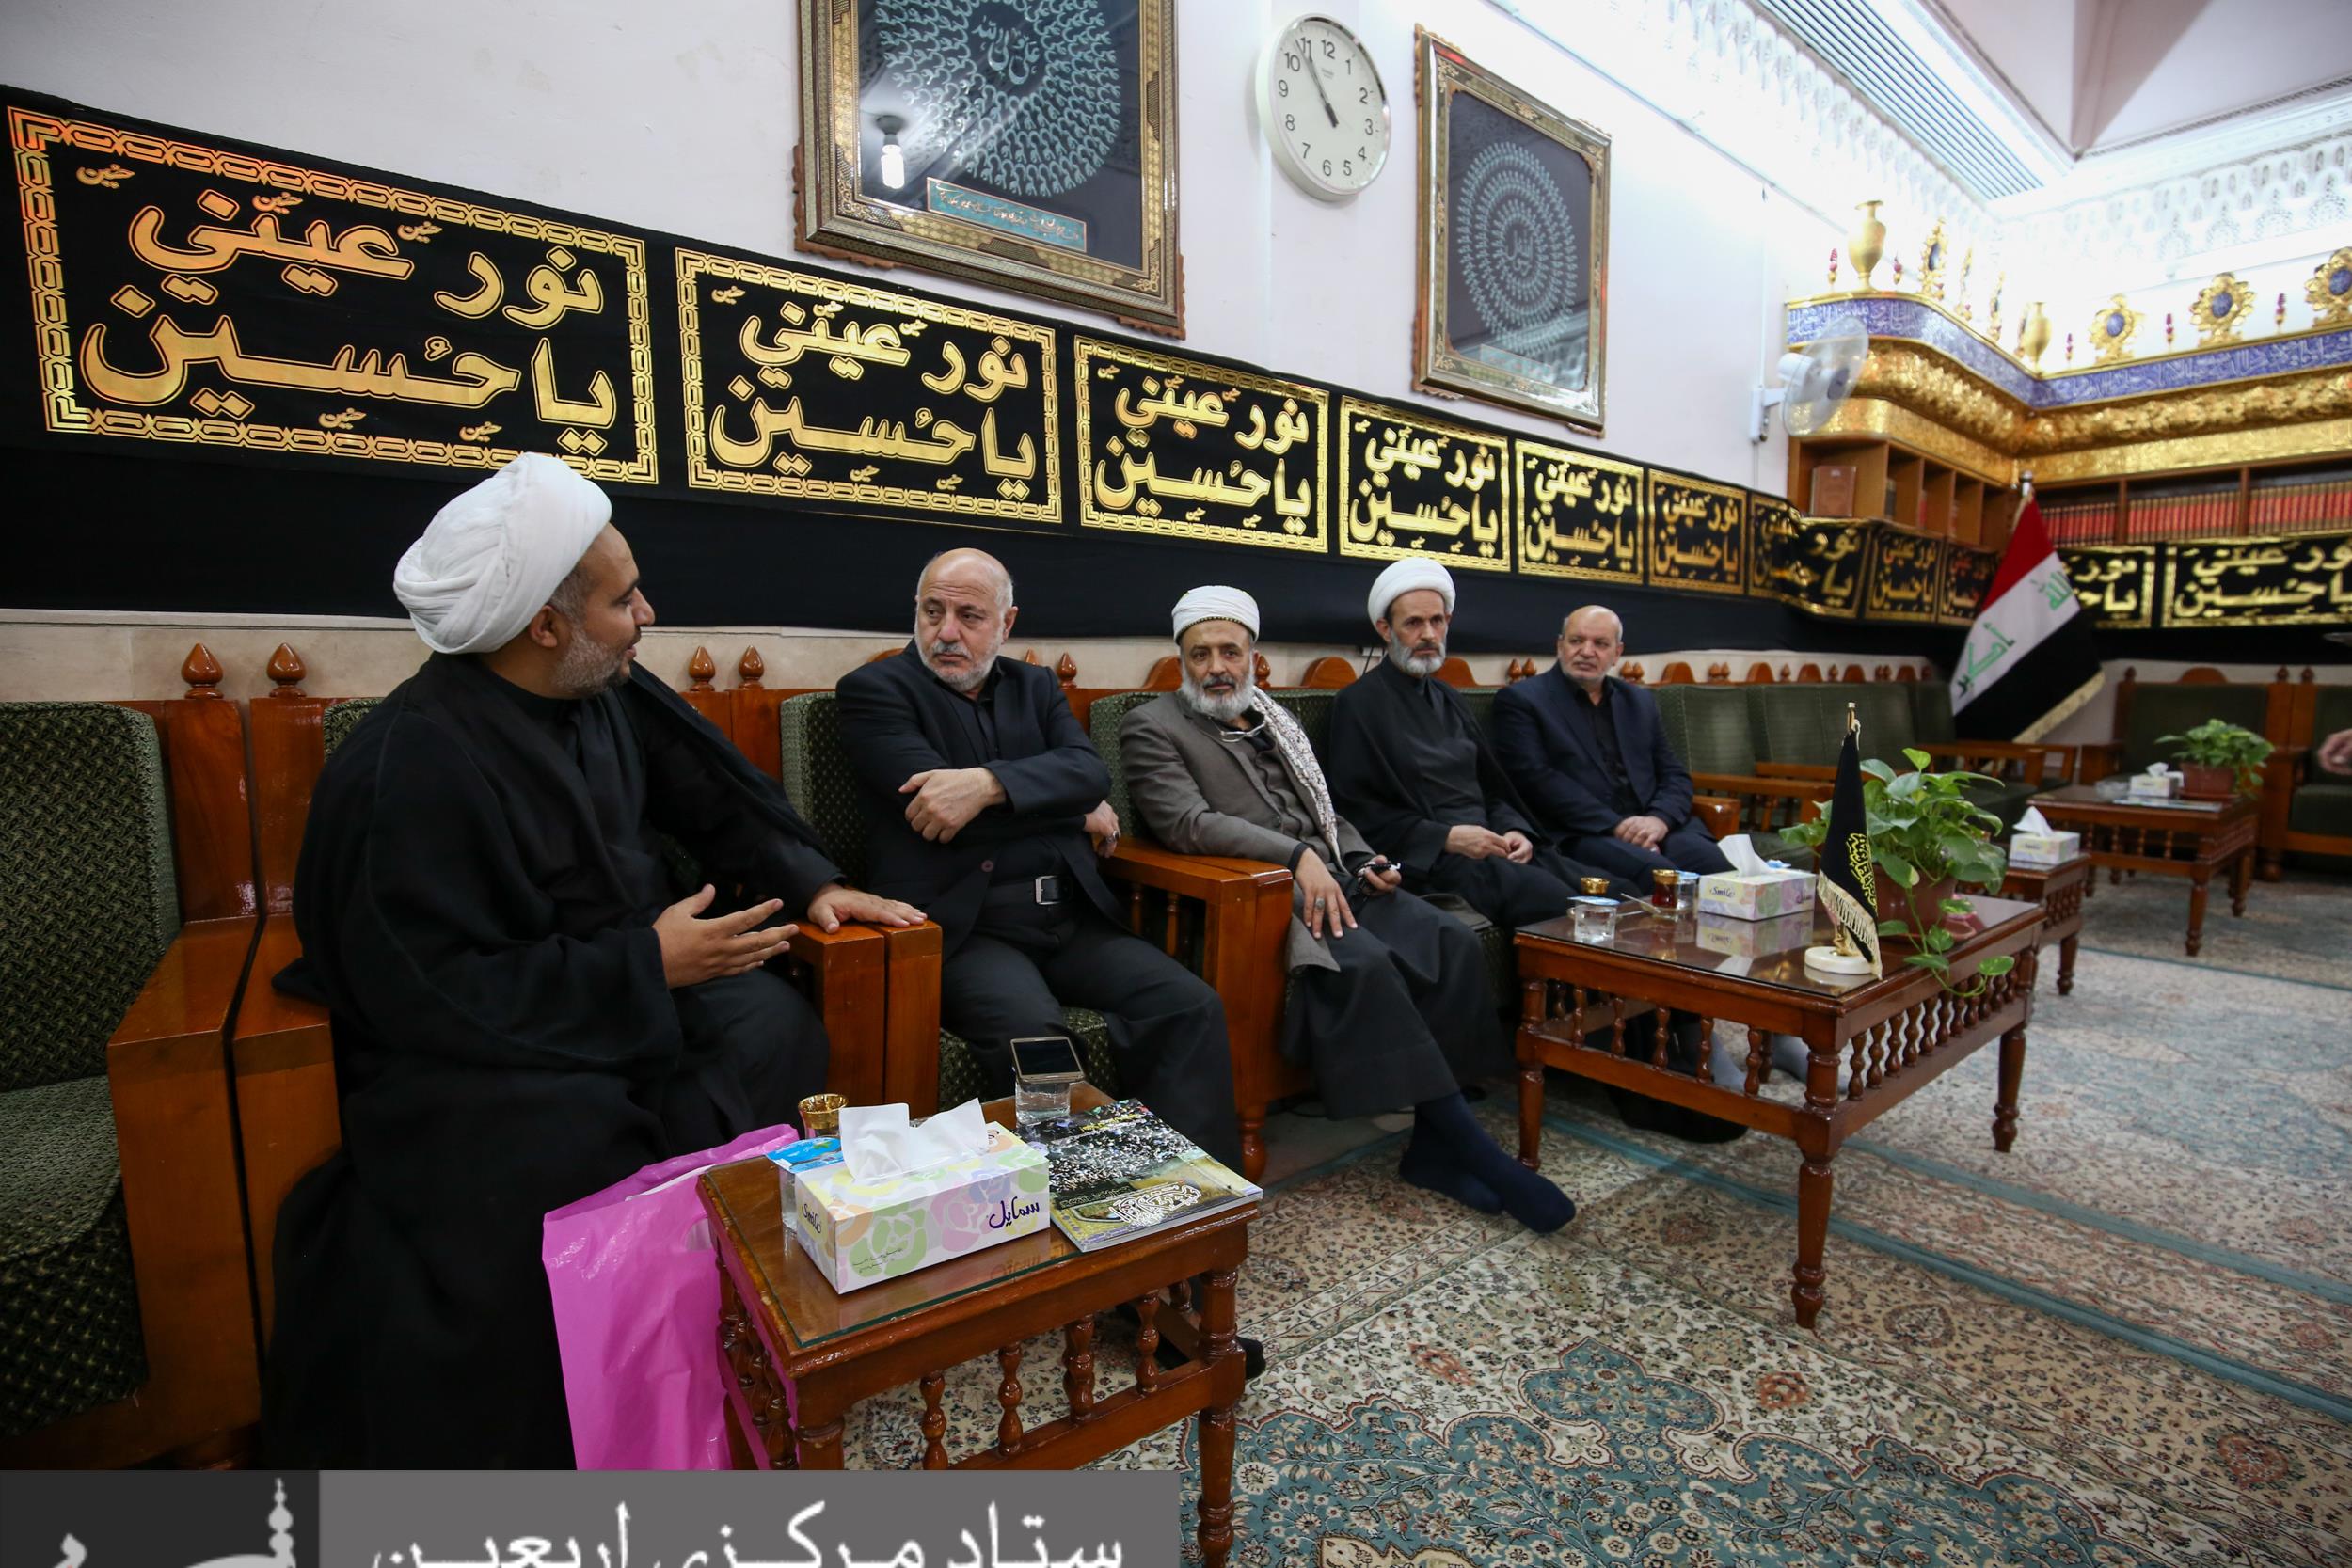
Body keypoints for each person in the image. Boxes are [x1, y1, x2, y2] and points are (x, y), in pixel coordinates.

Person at [264, 453, 922, 1466]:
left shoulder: (603, 688)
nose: (645, 613)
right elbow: (427, 985)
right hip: (475, 1056)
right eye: (622, 598)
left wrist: (810, 884)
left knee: (774, 1025)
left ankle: (736, 1345)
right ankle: (598, 1422)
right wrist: (642, 967)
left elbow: (714, 795)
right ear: (544, 623)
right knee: (563, 1143)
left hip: (624, 992)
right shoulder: (405, 765)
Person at [1120, 588, 1575, 1232]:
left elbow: (1328, 813)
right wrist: (1295, 856)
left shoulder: (1276, 719)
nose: (1217, 666)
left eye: (1230, 651)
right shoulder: (1152, 726)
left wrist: (1362, 859)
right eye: (1201, 654)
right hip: (1264, 897)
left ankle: (1431, 1149)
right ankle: (1481, 1154)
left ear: (1253, 656)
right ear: (1182, 660)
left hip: (1338, 880)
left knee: (1451, 941)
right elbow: (1188, 824)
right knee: (1364, 964)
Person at [834, 548, 1243, 1172]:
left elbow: (1089, 771)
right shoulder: (874, 691)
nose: (946, 631)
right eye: (932, 611)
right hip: (969, 930)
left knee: (1189, 1004)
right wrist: (1069, 808)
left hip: (1067, 916)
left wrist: (986, 787)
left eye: (969, 615)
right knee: (1039, 1046)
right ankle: (1080, 1206)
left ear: (1006, 623)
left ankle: (1193, 1198)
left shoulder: (1036, 684)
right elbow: (936, 812)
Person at [1327, 556, 1640, 928]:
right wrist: (1447, 838)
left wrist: (1515, 830)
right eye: (1413, 623)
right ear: (1385, 629)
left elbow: (1493, 788)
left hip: (1496, 846)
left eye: (1436, 621)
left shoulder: (1448, 697)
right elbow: (1357, 813)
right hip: (1439, 861)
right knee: (1565, 904)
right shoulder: (1357, 705)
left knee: (1624, 894)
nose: (1428, 634)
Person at [1490, 605, 1734, 880]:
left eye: (1600, 644)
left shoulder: (1639, 701)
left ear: (1617, 653)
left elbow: (1674, 774)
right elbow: (1535, 781)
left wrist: (1658, 820)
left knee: (1723, 876)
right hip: (1583, 832)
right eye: (1576, 641)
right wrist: (1618, 827)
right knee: (1663, 878)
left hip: (1653, 825)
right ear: (1560, 645)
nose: (1586, 651)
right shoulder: (1523, 701)